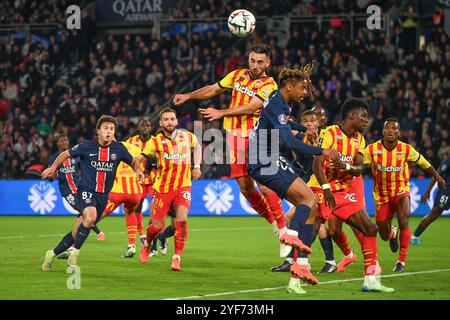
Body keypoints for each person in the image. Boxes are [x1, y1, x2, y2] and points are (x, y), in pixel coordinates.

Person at [173, 44, 289, 256]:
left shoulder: (269, 84)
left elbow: (253, 106)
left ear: (268, 64)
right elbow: (214, 88)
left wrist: (221, 112)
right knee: (246, 188)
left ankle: (284, 232)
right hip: (235, 137)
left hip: (259, 136)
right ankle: (275, 224)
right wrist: (189, 95)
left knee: (265, 186)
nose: (255, 65)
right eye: (252, 60)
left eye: (260, 62)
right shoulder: (238, 75)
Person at [247, 66, 340, 294]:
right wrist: (321, 152)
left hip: (266, 158)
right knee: (308, 200)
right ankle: (290, 234)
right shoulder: (278, 102)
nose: (305, 92)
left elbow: (284, 124)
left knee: (310, 208)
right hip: (266, 159)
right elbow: (288, 142)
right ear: (289, 86)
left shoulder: (278, 100)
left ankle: (300, 270)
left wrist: (302, 128)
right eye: (302, 87)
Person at [311, 98, 394, 292]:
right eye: (363, 116)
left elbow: (358, 169)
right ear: (351, 115)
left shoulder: (359, 139)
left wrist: (346, 166)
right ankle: (298, 268)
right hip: (327, 190)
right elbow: (317, 165)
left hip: (345, 191)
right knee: (317, 228)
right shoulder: (330, 133)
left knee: (369, 228)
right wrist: (326, 188)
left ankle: (370, 279)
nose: (366, 120)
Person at [41, 115, 144, 271]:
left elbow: (133, 161)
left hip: (103, 195)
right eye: (105, 128)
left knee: (77, 231)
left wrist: (138, 170)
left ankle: (52, 253)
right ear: (98, 131)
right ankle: (74, 255)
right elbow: (65, 154)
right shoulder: (87, 146)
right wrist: (53, 168)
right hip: (86, 190)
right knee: (90, 217)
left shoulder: (119, 149)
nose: (109, 131)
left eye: (112, 129)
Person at [363, 118, 445, 271]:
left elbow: (425, 164)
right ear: (383, 131)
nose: (390, 131)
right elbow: (360, 166)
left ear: (398, 132)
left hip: (401, 190)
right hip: (381, 195)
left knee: (403, 218)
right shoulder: (372, 149)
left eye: (394, 128)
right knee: (383, 234)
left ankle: (401, 261)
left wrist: (439, 178)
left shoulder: (406, 149)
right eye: (387, 128)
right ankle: (392, 233)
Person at [271, 108, 337, 274]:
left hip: (319, 185)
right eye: (305, 122)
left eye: (312, 121)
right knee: (316, 223)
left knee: (302, 220)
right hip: (308, 184)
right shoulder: (301, 138)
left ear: (317, 122)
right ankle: (328, 261)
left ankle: (297, 259)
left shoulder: (324, 138)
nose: (309, 124)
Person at [136, 108, 202, 271]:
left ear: (176, 121)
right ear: (160, 123)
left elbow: (198, 146)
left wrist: (197, 166)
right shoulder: (155, 142)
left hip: (183, 186)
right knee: (157, 226)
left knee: (182, 219)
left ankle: (176, 257)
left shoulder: (187, 136)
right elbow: (138, 159)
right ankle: (148, 245)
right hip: (163, 189)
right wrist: (138, 171)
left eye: (172, 119)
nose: (169, 122)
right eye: (166, 119)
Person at [48, 134, 105, 242]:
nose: (64, 142)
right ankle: (98, 232)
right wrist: (52, 176)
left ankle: (79, 231)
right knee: (81, 209)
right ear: (58, 143)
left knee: (85, 210)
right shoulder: (54, 159)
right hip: (67, 190)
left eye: (66, 140)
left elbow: (83, 169)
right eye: (62, 140)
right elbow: (50, 178)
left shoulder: (75, 155)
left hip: (79, 187)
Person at [101, 141, 146, 258]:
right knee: (130, 212)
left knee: (93, 217)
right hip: (135, 192)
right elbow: (142, 166)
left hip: (118, 191)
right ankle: (132, 245)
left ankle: (72, 246)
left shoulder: (110, 149)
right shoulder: (136, 148)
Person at [125, 120, 155, 247]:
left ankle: (156, 238)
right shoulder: (131, 141)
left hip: (154, 180)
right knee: (137, 209)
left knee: (156, 209)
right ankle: (142, 234)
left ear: (151, 128)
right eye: (142, 125)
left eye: (148, 125)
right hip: (138, 180)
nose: (145, 127)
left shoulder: (156, 140)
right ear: (139, 127)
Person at [411, 153, 449, 245]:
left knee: (435, 215)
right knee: (434, 214)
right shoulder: (448, 161)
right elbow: (437, 174)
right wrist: (428, 192)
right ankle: (414, 237)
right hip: (446, 191)